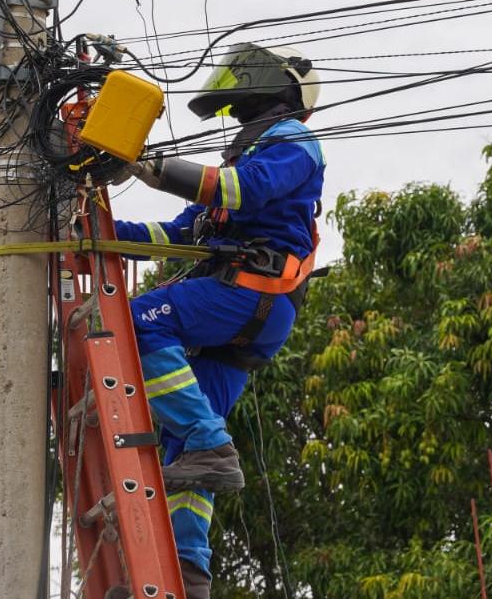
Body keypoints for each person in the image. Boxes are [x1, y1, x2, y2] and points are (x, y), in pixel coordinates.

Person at [112, 43, 325, 598]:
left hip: (252, 295)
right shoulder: (239, 166)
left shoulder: (295, 143)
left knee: (134, 324)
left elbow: (244, 190)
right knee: (187, 452)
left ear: (277, 86)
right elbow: (175, 237)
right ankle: (188, 571)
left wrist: (155, 167)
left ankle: (211, 442)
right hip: (247, 312)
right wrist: (102, 230)